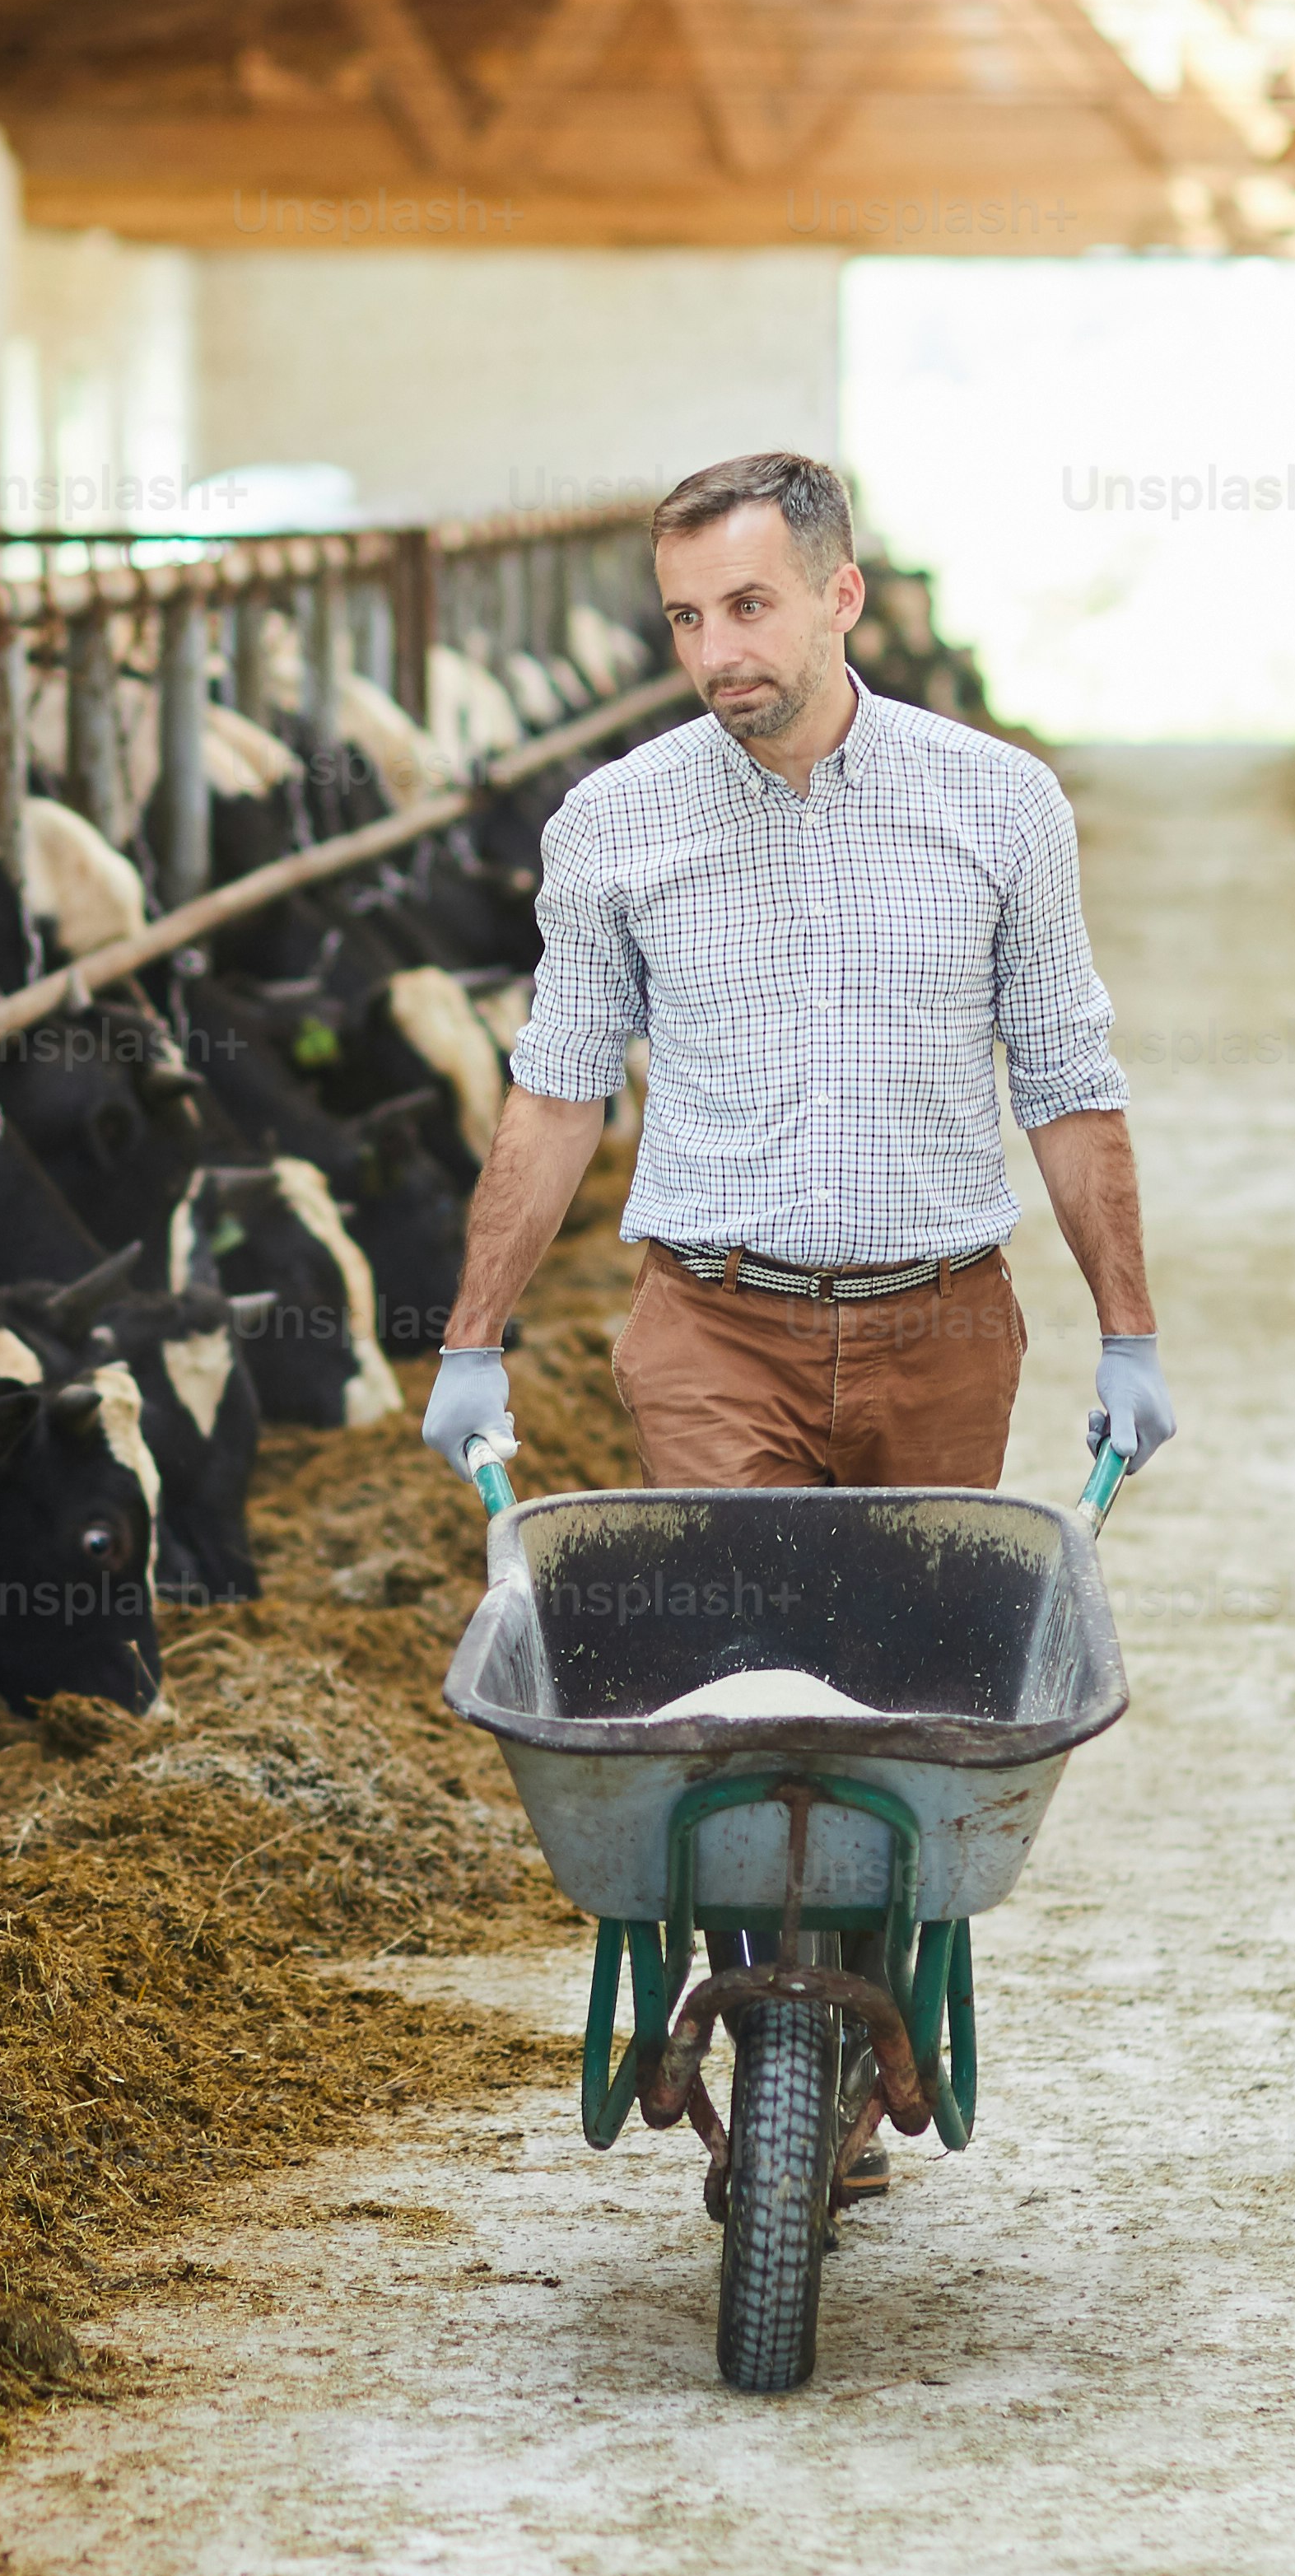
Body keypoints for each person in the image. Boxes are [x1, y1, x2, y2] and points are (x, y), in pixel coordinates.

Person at [422, 449, 1166, 2196]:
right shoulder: (616, 821)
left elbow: (1067, 1081)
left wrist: (1129, 1329)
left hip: (940, 1326)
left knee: (901, 1709)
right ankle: (789, 2058)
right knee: (745, 1705)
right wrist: (472, 1338)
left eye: (750, 606)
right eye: (687, 616)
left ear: (844, 595)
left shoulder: (999, 807)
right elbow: (552, 1095)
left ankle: (855, 2013)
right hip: (715, 1326)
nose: (716, 651)